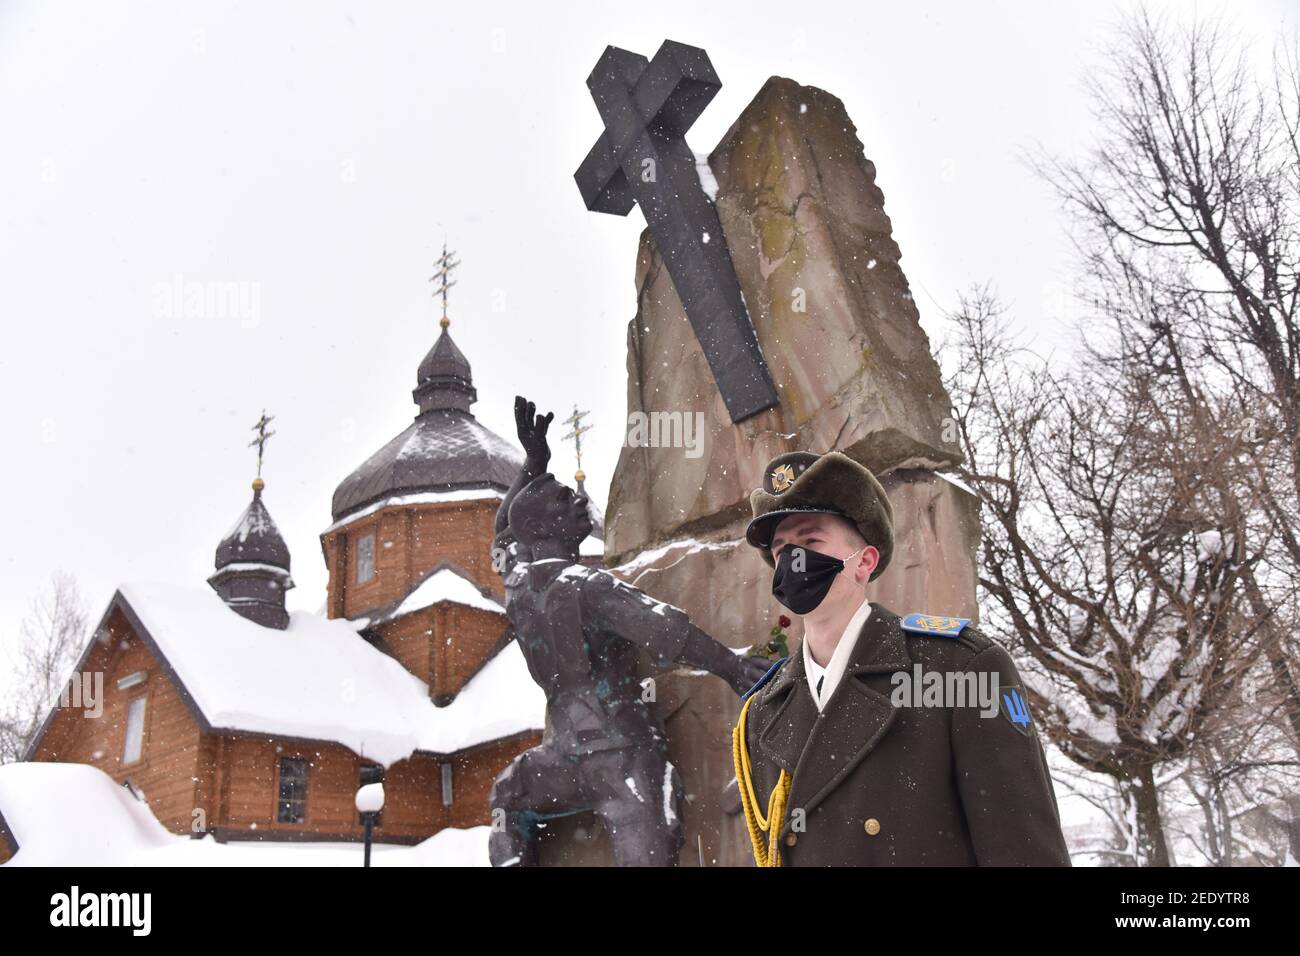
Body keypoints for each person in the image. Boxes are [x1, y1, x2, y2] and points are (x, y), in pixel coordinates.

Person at [732, 450, 1071, 866]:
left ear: (865, 562)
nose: (793, 562)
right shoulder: (763, 711)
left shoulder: (960, 671)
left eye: (811, 540)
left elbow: (1025, 853)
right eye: (782, 550)